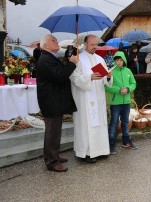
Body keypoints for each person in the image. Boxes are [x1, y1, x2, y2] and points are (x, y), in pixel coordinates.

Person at [36, 34, 78, 172]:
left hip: (54, 101)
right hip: (51, 101)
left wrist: (68, 60)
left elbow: (59, 71)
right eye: (53, 40)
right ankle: (51, 161)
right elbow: (60, 76)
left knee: (55, 130)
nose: (57, 42)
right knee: (52, 132)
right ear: (46, 45)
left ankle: (53, 155)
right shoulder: (45, 59)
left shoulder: (50, 58)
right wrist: (72, 63)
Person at [70, 35, 113, 164]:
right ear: (85, 44)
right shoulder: (78, 59)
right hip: (85, 98)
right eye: (92, 44)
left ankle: (101, 150)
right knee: (86, 125)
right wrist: (90, 77)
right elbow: (75, 78)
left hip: (98, 96)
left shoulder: (100, 59)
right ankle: (87, 153)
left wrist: (109, 76)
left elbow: (105, 79)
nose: (95, 47)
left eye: (96, 44)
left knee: (100, 122)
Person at [105, 51, 137, 154]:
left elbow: (133, 83)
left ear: (124, 60)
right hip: (115, 102)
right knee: (114, 123)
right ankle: (111, 145)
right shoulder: (111, 72)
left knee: (125, 122)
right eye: (117, 60)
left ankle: (126, 141)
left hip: (126, 101)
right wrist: (118, 90)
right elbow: (106, 86)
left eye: (120, 60)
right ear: (115, 61)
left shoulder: (128, 71)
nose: (119, 62)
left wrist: (127, 89)